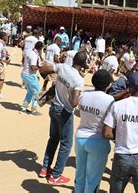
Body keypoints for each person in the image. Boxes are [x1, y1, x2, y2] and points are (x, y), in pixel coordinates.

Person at [38, 51, 87, 185]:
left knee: (53, 138)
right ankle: (56, 175)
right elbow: (74, 103)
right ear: (82, 65)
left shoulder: (62, 67)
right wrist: (71, 92)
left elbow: (44, 69)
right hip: (65, 111)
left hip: (54, 106)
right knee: (66, 144)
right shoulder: (78, 80)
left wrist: (55, 85)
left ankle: (45, 168)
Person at [75, 69, 114, 193]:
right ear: (108, 85)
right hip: (98, 140)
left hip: (80, 137)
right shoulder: (110, 101)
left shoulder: (84, 95)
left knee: (80, 173)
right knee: (93, 179)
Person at [20, 41, 44, 115]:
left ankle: (24, 108)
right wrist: (40, 67)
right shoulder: (34, 55)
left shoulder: (30, 52)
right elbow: (33, 68)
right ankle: (33, 110)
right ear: (40, 49)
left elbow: (23, 60)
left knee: (30, 92)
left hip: (24, 73)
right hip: (30, 75)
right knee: (37, 91)